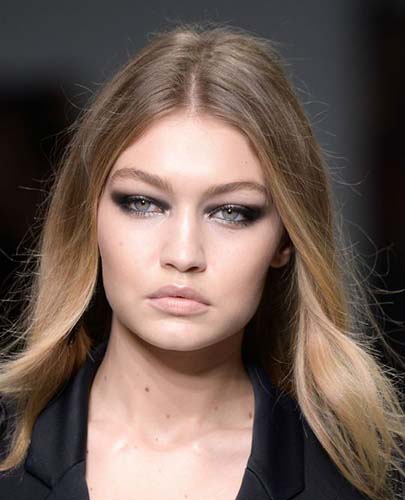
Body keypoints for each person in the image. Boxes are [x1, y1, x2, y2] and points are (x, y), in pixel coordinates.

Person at [0, 21, 404, 500]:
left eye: (231, 212)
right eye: (143, 203)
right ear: (89, 217)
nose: (183, 255)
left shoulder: (353, 482)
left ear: (285, 239)